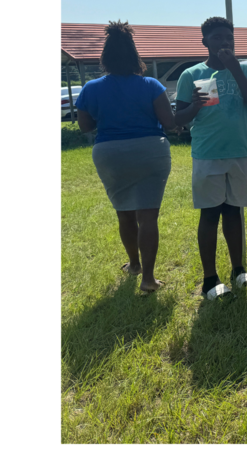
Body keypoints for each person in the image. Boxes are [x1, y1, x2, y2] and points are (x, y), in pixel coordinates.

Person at [75, 21, 176, 293]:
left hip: (110, 153)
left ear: (105, 57)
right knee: (148, 217)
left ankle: (134, 265)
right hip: (150, 150)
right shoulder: (151, 84)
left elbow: (85, 126)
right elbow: (169, 122)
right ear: (135, 55)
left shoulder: (91, 88)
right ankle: (149, 279)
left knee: (125, 215)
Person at [174, 16, 247, 300]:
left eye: (229, 38)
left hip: (239, 150)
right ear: (205, 42)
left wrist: (235, 69)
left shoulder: (244, 70)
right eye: (217, 39)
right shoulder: (192, 74)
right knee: (210, 213)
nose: (225, 43)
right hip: (208, 153)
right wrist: (195, 106)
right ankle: (209, 279)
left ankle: (238, 270)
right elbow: (180, 119)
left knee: (234, 211)